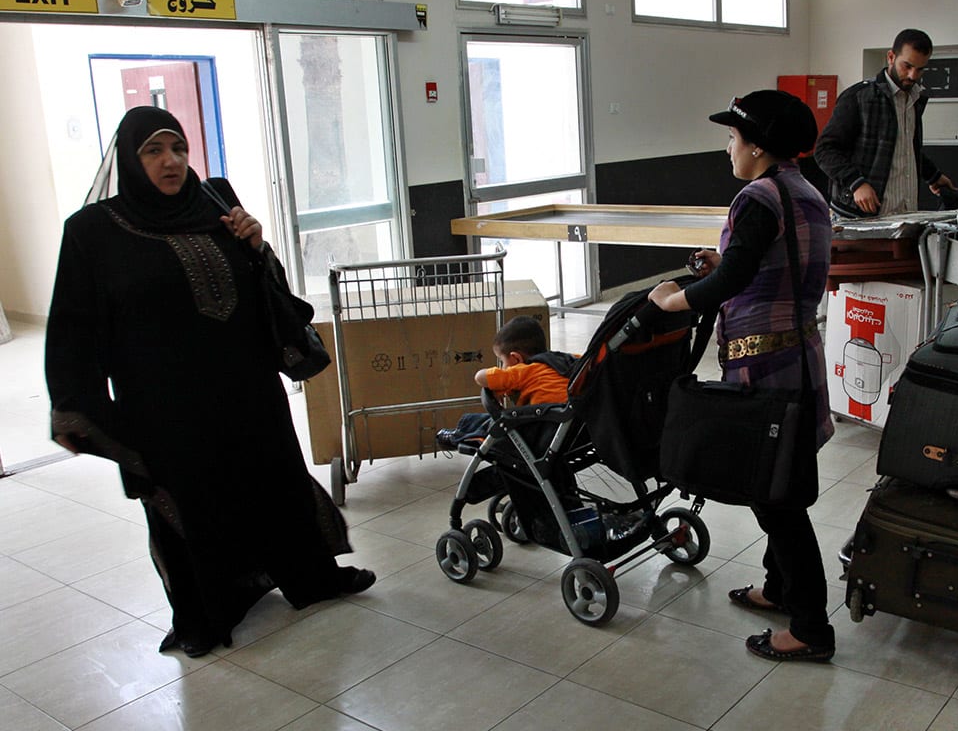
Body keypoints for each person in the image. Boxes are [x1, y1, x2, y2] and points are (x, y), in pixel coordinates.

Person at [45, 106, 374, 659]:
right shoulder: (92, 233)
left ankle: (311, 579)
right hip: (165, 404)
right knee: (188, 499)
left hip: (246, 387)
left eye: (178, 147)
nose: (170, 161)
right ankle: (204, 613)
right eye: (153, 150)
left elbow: (266, 288)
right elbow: (73, 325)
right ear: (129, 159)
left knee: (274, 480)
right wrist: (80, 407)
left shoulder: (216, 200)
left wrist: (257, 246)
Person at [649, 90, 836, 662]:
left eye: (733, 138)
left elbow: (734, 279)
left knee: (777, 501)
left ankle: (810, 629)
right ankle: (778, 589)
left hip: (767, 370)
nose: (728, 148)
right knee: (778, 485)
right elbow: (762, 266)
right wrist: (723, 265)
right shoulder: (805, 191)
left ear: (757, 145)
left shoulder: (757, 198)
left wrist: (674, 301)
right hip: (800, 361)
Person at [814, 28, 956, 217]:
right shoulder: (858, 96)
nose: (913, 75)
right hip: (860, 216)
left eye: (920, 69)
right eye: (907, 66)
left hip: (905, 212)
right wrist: (856, 183)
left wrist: (933, 176)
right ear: (891, 57)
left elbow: (905, 149)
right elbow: (825, 150)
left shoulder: (914, 99)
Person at [435, 315, 575, 448]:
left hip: (543, 433)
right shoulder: (568, 360)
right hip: (574, 430)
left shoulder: (524, 371)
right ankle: (461, 431)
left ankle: (459, 435)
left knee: (496, 424)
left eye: (502, 361)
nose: (502, 367)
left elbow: (480, 377)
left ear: (516, 359)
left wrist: (499, 383)